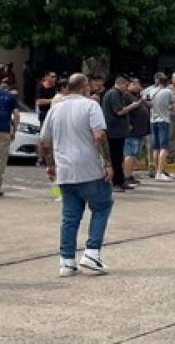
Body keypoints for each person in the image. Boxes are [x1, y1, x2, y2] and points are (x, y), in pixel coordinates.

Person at [38, 73, 113, 277]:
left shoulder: (55, 109)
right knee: (102, 207)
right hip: (89, 168)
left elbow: (44, 141)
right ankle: (92, 252)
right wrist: (107, 163)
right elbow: (99, 135)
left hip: (65, 170)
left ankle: (67, 261)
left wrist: (50, 165)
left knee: (70, 216)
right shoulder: (91, 106)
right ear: (84, 86)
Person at [102, 76, 139, 191]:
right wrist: (132, 106)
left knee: (119, 158)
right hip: (113, 131)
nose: (127, 88)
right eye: (126, 85)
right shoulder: (113, 94)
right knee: (115, 158)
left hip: (119, 131)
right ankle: (114, 183)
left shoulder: (119, 94)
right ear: (121, 84)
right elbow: (119, 111)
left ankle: (120, 180)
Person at [143, 73, 175, 182]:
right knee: (164, 148)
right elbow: (174, 107)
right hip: (164, 121)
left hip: (153, 120)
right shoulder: (168, 91)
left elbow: (145, 99)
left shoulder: (150, 90)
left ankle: (157, 170)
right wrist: (168, 107)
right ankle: (160, 172)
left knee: (156, 148)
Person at [125, 79, 151, 183]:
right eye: (136, 84)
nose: (139, 86)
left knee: (134, 154)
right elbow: (125, 110)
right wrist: (128, 124)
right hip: (132, 130)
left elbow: (149, 105)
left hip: (140, 130)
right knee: (130, 153)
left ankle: (130, 174)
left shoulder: (138, 96)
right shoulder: (126, 96)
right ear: (131, 85)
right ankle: (126, 176)